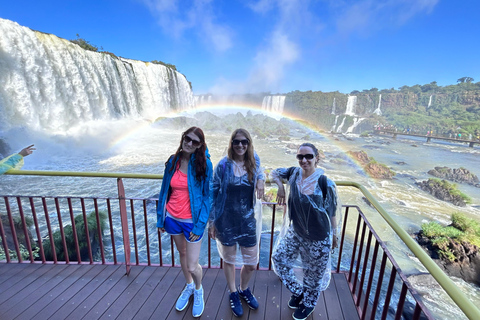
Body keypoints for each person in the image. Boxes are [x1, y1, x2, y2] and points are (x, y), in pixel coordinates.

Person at [271, 142, 339, 320]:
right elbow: (274, 172)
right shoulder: (293, 173)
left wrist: (335, 233)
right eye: (300, 156)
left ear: (317, 157)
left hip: (318, 238)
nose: (304, 160)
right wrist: (279, 186)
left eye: (309, 156)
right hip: (297, 232)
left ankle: (309, 303)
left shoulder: (325, 183)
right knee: (279, 258)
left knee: (313, 274)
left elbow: (331, 211)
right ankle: (299, 292)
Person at [157, 127, 213, 318]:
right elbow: (164, 189)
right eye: (187, 139)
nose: (189, 143)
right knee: (182, 253)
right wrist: (161, 218)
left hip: (192, 221)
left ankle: (198, 289)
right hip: (172, 218)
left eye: (194, 141)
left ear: (200, 145)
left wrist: (200, 225)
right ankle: (188, 285)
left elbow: (207, 197)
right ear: (182, 138)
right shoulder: (173, 161)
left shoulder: (204, 164)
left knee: (192, 265)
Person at [209, 128, 265, 317]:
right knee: (229, 260)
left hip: (248, 221)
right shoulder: (223, 165)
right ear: (231, 143)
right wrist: (212, 222)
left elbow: (262, 172)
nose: (240, 145)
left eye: (244, 142)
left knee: (251, 263)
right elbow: (213, 192)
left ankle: (244, 288)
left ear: (249, 144)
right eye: (236, 141)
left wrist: (261, 180)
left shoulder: (254, 161)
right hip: (225, 220)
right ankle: (233, 292)